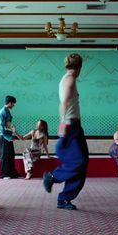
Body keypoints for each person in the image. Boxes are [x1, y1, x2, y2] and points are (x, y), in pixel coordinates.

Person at [42, 53, 89, 210]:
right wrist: (62, 122)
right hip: (70, 126)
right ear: (80, 67)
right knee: (78, 161)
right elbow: (64, 103)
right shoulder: (69, 79)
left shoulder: (67, 79)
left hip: (75, 127)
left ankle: (64, 199)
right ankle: (52, 176)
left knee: (82, 164)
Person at [0, 95, 22, 179]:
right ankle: (3, 174)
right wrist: (7, 137)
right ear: (10, 103)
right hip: (5, 137)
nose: (13, 105)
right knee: (5, 155)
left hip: (9, 136)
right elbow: (1, 127)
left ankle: (11, 173)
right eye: (13, 104)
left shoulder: (7, 111)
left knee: (11, 155)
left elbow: (9, 125)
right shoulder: (2, 112)